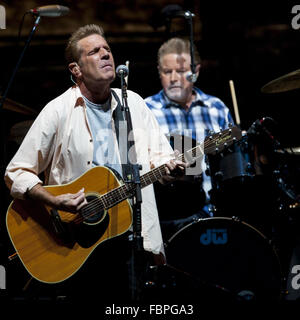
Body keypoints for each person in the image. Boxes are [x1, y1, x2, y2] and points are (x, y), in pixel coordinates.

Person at [4, 24, 186, 302]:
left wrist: (171, 169)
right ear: (75, 69)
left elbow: (160, 157)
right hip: (77, 241)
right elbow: (17, 172)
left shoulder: (133, 103)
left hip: (132, 240)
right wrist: (55, 202)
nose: (105, 54)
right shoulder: (58, 110)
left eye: (108, 49)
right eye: (95, 51)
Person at [145, 37, 235, 238]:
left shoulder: (217, 108)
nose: (174, 78)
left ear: (196, 72)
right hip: (167, 217)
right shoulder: (145, 110)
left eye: (181, 71)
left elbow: (232, 163)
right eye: (167, 72)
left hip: (216, 212)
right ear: (159, 72)